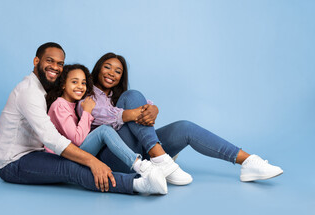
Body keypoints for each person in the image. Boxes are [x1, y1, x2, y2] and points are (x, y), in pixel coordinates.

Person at [77, 52, 284, 184]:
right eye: (107, 67)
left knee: (184, 127)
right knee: (131, 96)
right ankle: (161, 159)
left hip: (144, 154)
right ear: (98, 68)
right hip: (116, 158)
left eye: (118, 71)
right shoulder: (86, 94)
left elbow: (146, 107)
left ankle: (248, 162)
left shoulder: (121, 96)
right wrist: (129, 114)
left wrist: (154, 109)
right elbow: (98, 117)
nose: (112, 73)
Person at [0, 43, 167, 195]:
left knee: (76, 164)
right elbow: (52, 139)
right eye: (49, 61)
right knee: (71, 168)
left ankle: (152, 165)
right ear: (36, 61)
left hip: (36, 153)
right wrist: (93, 160)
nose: (55, 67)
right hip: (12, 162)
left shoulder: (44, 91)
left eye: (60, 63)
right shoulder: (29, 92)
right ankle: (138, 184)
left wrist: (153, 108)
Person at [44, 63, 166, 194]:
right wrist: (87, 112)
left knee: (106, 128)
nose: (80, 86)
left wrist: (153, 109)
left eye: (83, 83)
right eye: (74, 82)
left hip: (74, 151)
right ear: (63, 84)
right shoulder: (60, 105)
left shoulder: (70, 105)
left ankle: (153, 161)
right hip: (65, 156)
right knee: (104, 130)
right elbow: (77, 139)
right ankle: (143, 167)